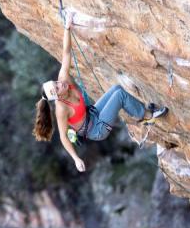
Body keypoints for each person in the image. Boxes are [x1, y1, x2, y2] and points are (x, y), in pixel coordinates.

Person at [32, 11, 168, 172]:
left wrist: (67, 28)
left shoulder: (63, 80)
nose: (60, 84)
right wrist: (76, 159)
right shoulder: (61, 109)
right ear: (58, 97)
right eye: (57, 88)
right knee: (119, 96)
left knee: (117, 88)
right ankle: (147, 116)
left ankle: (141, 113)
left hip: (93, 114)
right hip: (96, 130)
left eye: (56, 82)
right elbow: (63, 136)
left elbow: (66, 52)